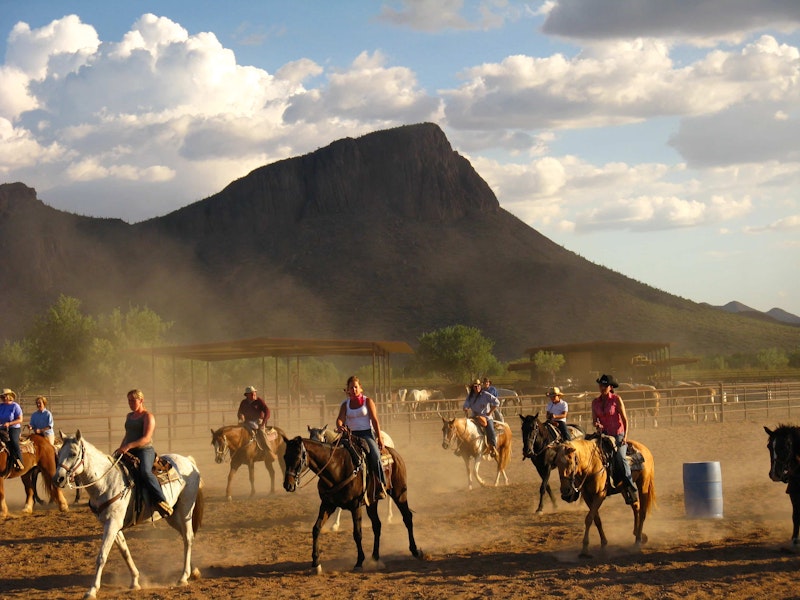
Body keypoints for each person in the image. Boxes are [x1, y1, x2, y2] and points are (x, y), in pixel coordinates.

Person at [115, 389, 172, 518]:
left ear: (141, 400)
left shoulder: (148, 416)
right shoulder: (129, 416)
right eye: (129, 400)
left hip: (144, 450)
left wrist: (128, 446)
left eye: (133, 400)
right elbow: (127, 435)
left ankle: (161, 501)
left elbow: (146, 438)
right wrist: (121, 448)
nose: (130, 403)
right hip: (129, 450)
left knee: (145, 472)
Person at [335, 375, 387, 499]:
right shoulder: (345, 404)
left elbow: (375, 420)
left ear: (360, 388)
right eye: (351, 387)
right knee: (333, 452)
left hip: (366, 434)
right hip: (350, 435)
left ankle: (380, 484)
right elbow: (340, 419)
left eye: (356, 387)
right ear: (347, 389)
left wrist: (379, 437)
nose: (354, 390)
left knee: (375, 455)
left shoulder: (367, 401)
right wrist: (340, 426)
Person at [591, 374, 638, 504]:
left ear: (610, 387)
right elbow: (594, 420)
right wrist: (597, 424)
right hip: (604, 435)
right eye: (601, 385)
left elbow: (624, 419)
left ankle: (631, 487)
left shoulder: (616, 400)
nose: (602, 388)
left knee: (620, 457)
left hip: (618, 434)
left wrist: (625, 436)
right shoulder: (595, 402)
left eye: (605, 386)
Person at [463, 379, 500, 457]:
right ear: (473, 387)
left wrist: (490, 412)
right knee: (464, 429)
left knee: (491, 430)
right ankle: (462, 449)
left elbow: (497, 402)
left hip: (485, 417)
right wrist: (465, 408)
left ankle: (494, 448)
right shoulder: (470, 396)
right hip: (474, 417)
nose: (477, 388)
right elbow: (466, 404)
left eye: (479, 386)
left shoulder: (485, 394)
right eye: (476, 386)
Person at [237, 385, 271, 451]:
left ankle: (267, 449)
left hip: (258, 421)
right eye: (251, 394)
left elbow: (267, 411)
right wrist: (241, 416)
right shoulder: (243, 402)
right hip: (247, 421)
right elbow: (239, 412)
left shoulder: (259, 401)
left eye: (254, 393)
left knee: (261, 433)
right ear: (247, 395)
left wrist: (263, 422)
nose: (253, 395)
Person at [0, 388, 24, 470]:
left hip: (13, 428)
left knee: (14, 441)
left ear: (9, 396)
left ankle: (19, 461)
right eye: (2, 396)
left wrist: (9, 423)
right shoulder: (1, 406)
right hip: (2, 427)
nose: (3, 398)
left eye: (4, 396)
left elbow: (20, 419)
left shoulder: (15, 406)